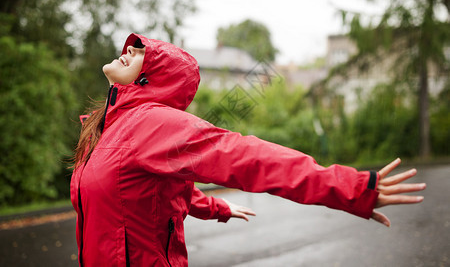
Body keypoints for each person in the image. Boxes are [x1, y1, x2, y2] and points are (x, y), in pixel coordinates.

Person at [71, 33, 426, 267]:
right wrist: (216, 206)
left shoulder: (152, 124)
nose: (128, 51)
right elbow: (151, 190)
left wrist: (351, 189)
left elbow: (248, 157)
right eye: (130, 48)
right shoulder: (103, 128)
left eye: (140, 53)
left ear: (154, 77)